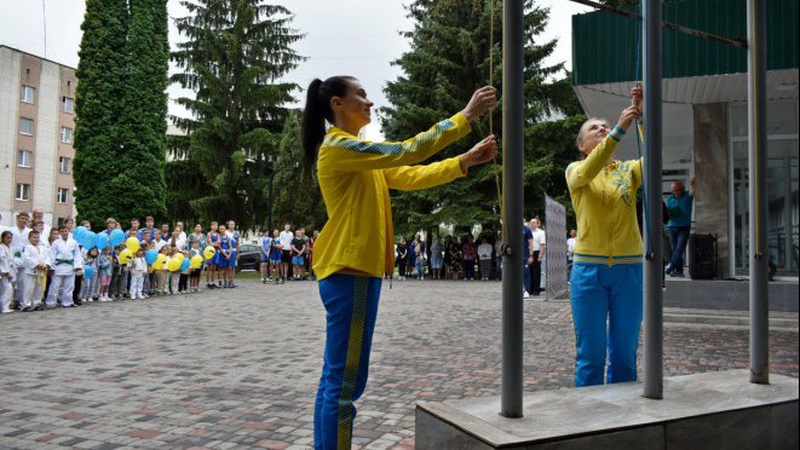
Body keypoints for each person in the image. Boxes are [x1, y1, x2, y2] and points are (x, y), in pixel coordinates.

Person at [301, 75, 496, 449]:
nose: (369, 101)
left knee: (338, 381)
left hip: (353, 272)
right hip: (350, 272)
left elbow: (409, 175)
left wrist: (463, 161)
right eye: (361, 95)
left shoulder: (356, 151)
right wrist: (466, 116)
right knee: (343, 385)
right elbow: (408, 151)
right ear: (338, 104)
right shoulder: (339, 146)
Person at [565, 83, 643, 387]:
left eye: (605, 127)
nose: (601, 129)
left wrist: (643, 118)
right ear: (582, 145)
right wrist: (619, 130)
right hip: (588, 270)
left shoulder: (629, 171)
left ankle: (624, 411)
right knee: (590, 356)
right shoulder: (575, 170)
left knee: (625, 354)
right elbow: (588, 171)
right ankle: (588, 410)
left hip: (629, 269)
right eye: (594, 128)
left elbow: (654, 159)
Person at [47, 225, 83, 308]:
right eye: (62, 231)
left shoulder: (73, 242)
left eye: (66, 231)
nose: (64, 233)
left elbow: (77, 255)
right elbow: (52, 255)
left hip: (70, 266)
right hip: (58, 266)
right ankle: (51, 302)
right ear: (59, 233)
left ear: (68, 232)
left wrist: (77, 265)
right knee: (55, 286)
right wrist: (51, 267)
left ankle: (67, 302)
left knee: (69, 286)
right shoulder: (56, 243)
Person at [664, 180, 694, 277]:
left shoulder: (688, 196)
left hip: (684, 227)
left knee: (679, 249)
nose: (676, 192)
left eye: (678, 190)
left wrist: (694, 181)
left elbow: (694, 188)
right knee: (674, 249)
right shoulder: (669, 199)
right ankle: (679, 271)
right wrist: (669, 214)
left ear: (682, 189)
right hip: (672, 226)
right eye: (674, 191)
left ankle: (671, 266)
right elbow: (667, 213)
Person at [20, 230, 50, 311]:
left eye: (37, 237)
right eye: (34, 237)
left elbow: (47, 257)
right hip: (30, 272)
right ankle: (26, 304)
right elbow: (27, 258)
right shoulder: (27, 248)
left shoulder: (43, 248)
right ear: (29, 238)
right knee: (28, 289)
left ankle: (37, 303)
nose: (36, 239)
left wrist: (45, 264)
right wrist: (37, 265)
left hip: (41, 271)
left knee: (39, 289)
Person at [530, 217, 546, 295]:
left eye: (533, 222)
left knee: (536, 272)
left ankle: (537, 289)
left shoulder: (541, 232)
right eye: (531, 222)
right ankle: (531, 289)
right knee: (530, 271)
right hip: (530, 253)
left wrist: (540, 255)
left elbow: (542, 244)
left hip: (536, 252)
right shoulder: (528, 232)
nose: (532, 224)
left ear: (537, 224)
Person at [0, 231, 14, 313]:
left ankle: (6, 306)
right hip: (3, 271)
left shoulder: (9, 247)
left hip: (9, 269)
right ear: (2, 238)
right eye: (7, 238)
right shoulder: (1, 247)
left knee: (8, 289)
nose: (9, 240)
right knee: (6, 288)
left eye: (11, 238)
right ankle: (4, 307)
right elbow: (3, 260)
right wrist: (6, 272)